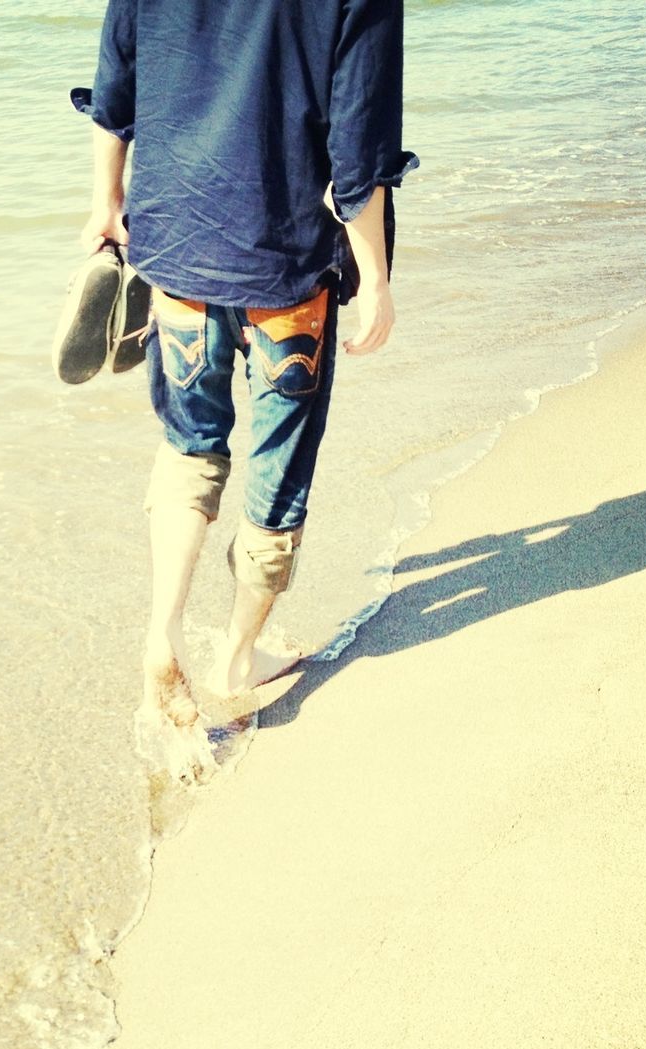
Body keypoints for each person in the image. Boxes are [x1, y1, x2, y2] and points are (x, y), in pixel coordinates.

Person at [74, 0, 418, 778]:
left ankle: (161, 632)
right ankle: (235, 660)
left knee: (189, 452)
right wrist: (377, 281)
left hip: (176, 250)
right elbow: (359, 147)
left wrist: (105, 202)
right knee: (276, 482)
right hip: (286, 267)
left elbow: (116, 83)